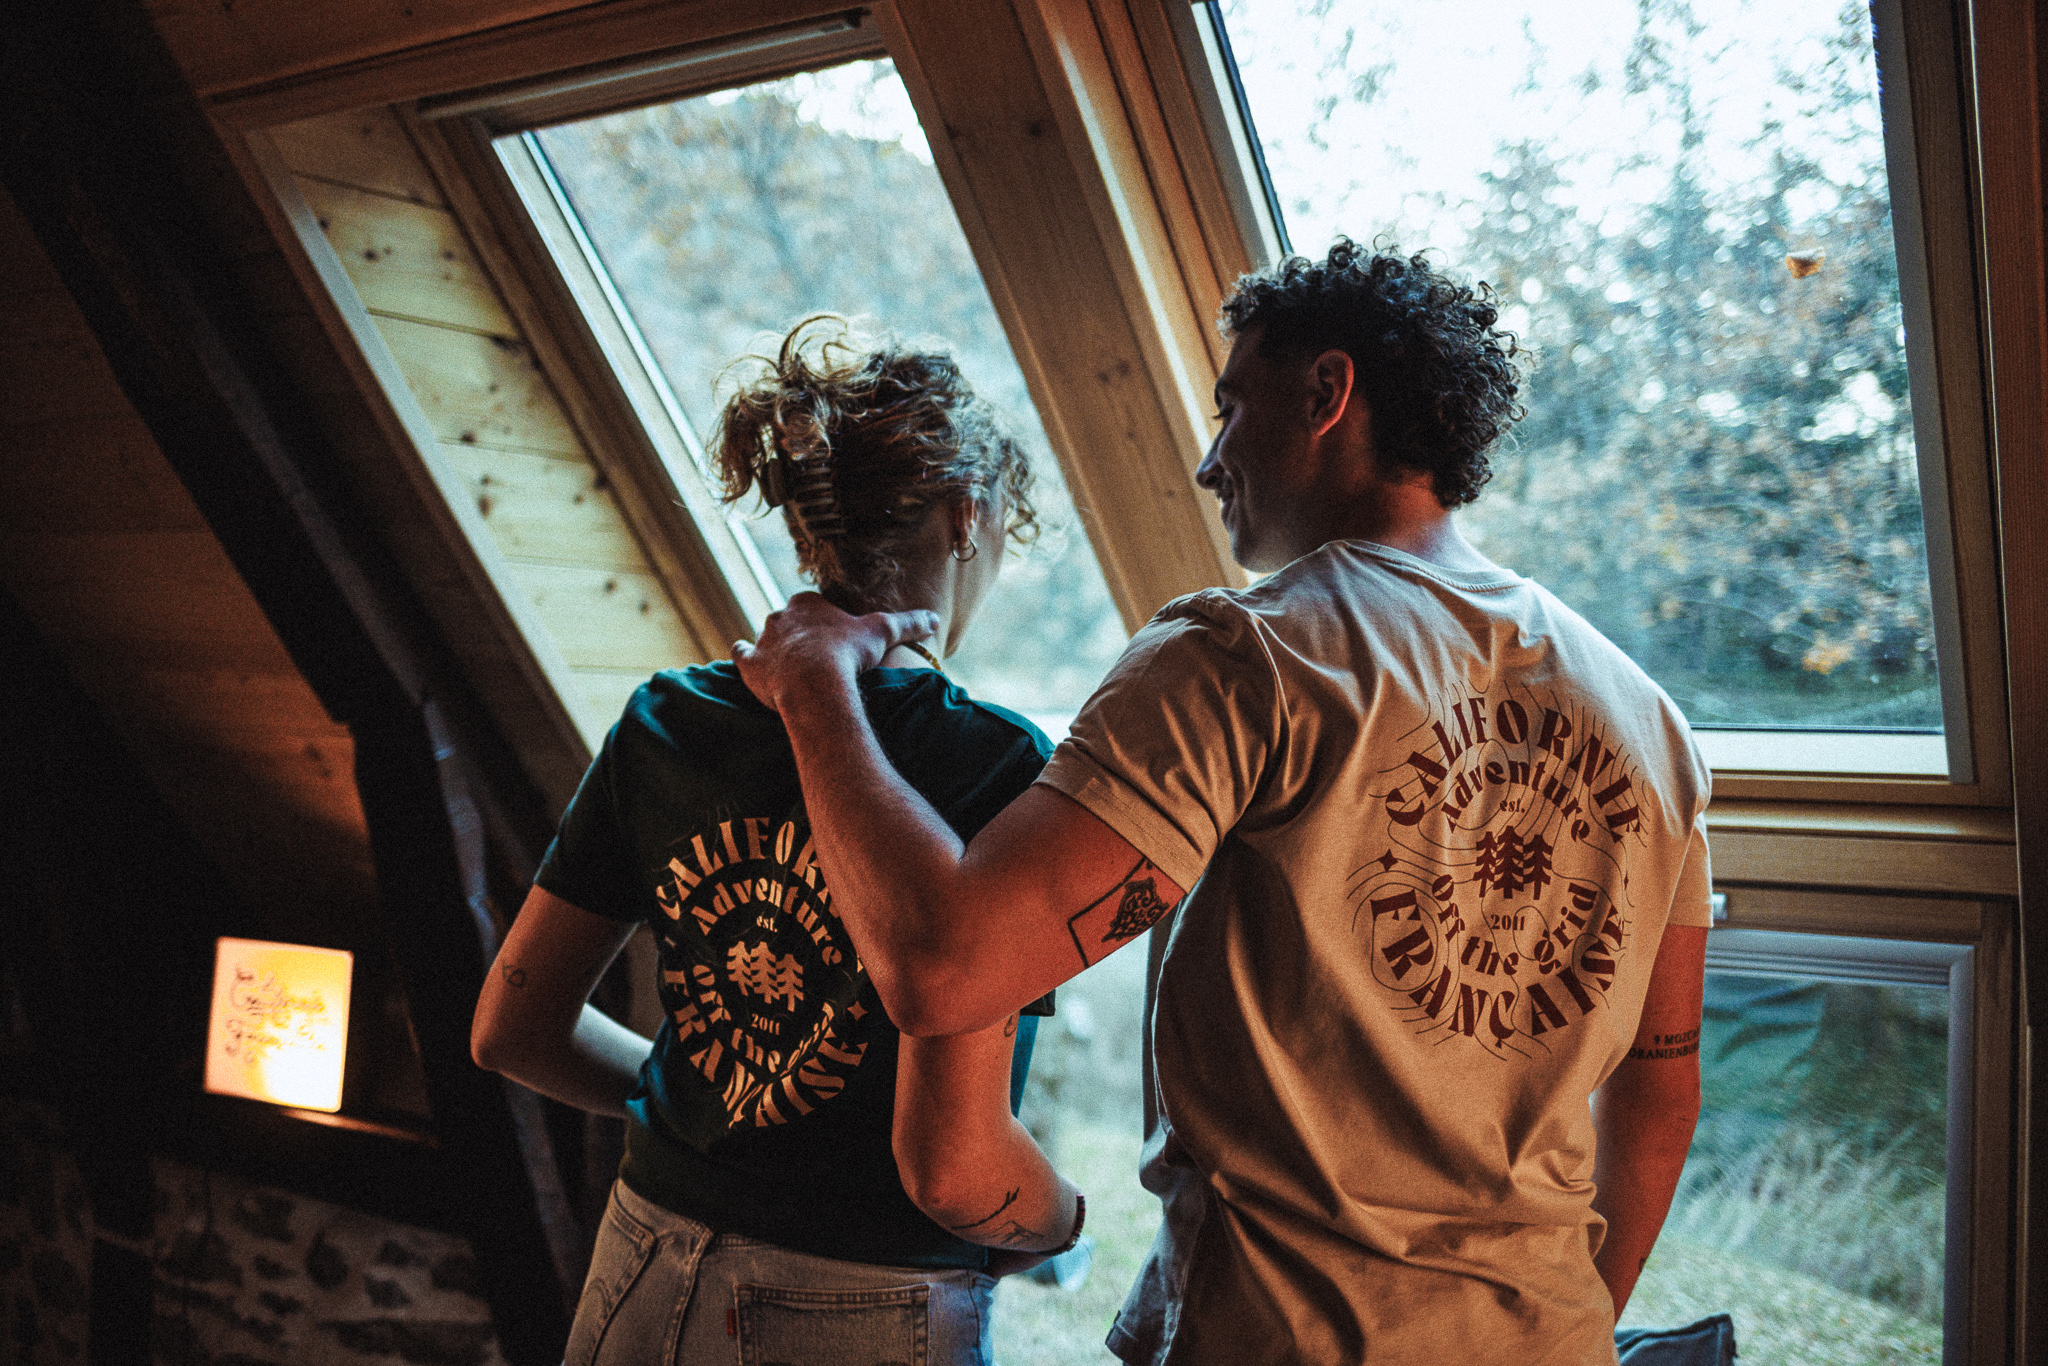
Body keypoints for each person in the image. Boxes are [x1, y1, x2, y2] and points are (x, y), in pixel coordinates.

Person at [733, 242, 1712, 1364]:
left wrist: (814, 681)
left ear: (1326, 392)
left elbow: (943, 967)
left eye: (1229, 408)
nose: (1208, 463)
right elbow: (1658, 1096)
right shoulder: (1650, 724)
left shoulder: (1246, 655)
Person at [471, 317, 1083, 1366]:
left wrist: (723, 1109)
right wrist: (1063, 1224)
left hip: (639, 1260)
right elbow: (958, 1174)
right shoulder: (992, 765)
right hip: (861, 1303)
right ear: (967, 513)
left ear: (806, 526)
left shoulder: (667, 720)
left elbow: (513, 1031)